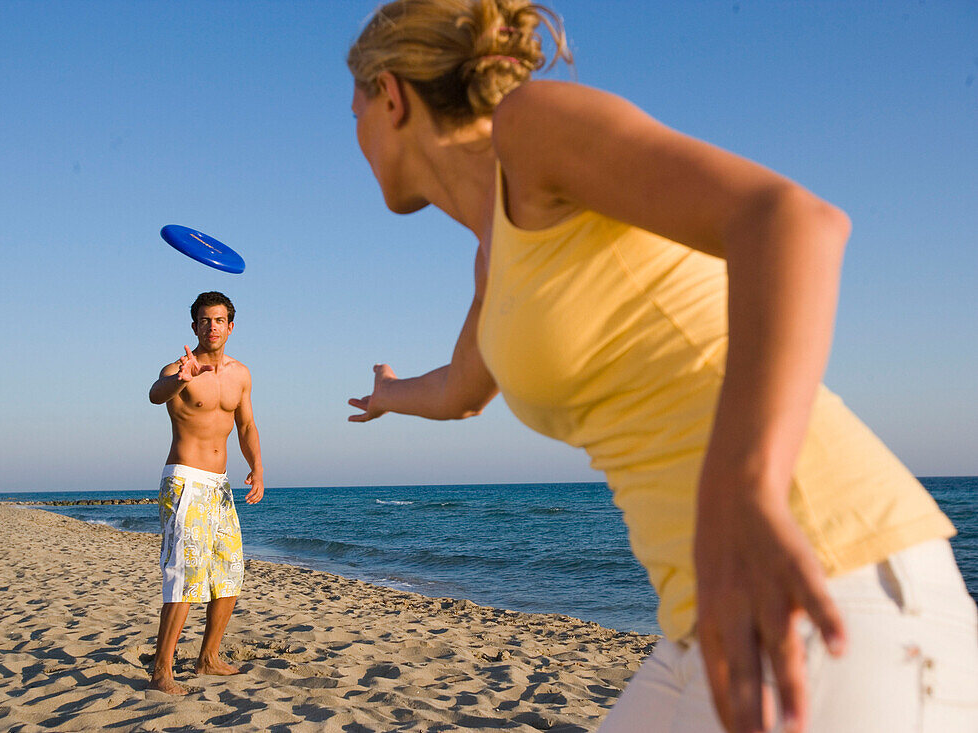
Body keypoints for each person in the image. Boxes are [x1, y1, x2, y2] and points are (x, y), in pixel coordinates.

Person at [344, 2, 977, 731]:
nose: (353, 133)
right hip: (705, 618)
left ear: (390, 96)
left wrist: (748, 481)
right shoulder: (496, 257)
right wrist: (390, 394)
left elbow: (791, 221)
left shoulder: (532, 126)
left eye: (353, 107)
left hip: (826, 576)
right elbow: (461, 390)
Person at [147, 291, 264, 694]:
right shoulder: (179, 369)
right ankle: (162, 670)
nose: (212, 326)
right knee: (184, 577)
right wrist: (178, 379)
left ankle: (208, 657)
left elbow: (246, 426)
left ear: (230, 326)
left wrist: (258, 469)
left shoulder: (241, 374)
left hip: (220, 485)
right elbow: (154, 393)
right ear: (194, 326)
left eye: (219, 320)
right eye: (204, 320)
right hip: (185, 480)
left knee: (230, 573)